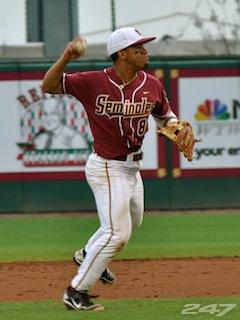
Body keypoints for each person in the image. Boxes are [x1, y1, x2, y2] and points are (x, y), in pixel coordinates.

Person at [42, 27, 179, 311]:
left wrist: (175, 129)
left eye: (144, 47)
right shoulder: (93, 81)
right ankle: (76, 291)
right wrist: (67, 56)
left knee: (132, 222)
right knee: (117, 234)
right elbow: (49, 86)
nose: (145, 52)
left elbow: (166, 118)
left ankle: (87, 255)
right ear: (122, 54)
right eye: (138, 48)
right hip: (106, 166)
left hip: (132, 169)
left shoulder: (152, 84)